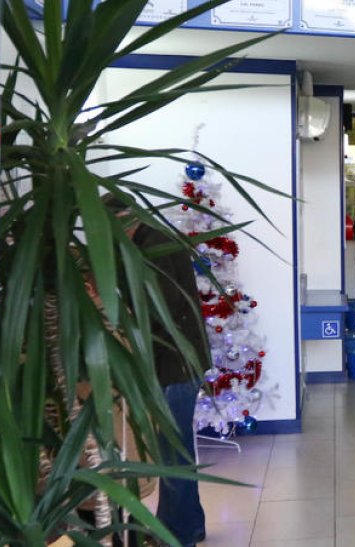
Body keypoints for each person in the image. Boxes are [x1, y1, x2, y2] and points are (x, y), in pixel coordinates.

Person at [109, 197, 211, 547]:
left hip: (176, 365)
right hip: (178, 361)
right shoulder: (149, 241)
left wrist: (118, 316)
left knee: (172, 451)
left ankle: (177, 534)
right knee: (176, 447)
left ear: (126, 222)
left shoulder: (155, 248)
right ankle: (188, 525)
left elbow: (160, 310)